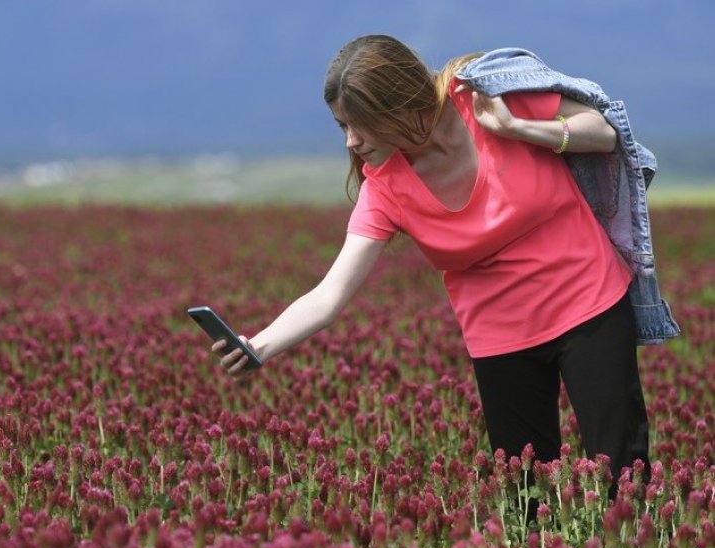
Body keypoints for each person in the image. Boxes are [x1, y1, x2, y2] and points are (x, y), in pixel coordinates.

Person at [212, 34, 656, 495]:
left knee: (623, 477)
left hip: (588, 300)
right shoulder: (384, 188)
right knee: (525, 493)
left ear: (397, 104)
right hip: (499, 337)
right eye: (342, 126)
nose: (351, 140)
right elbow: (330, 294)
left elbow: (603, 133)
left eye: (359, 124)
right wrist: (258, 346)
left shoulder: (487, 97)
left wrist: (519, 128)